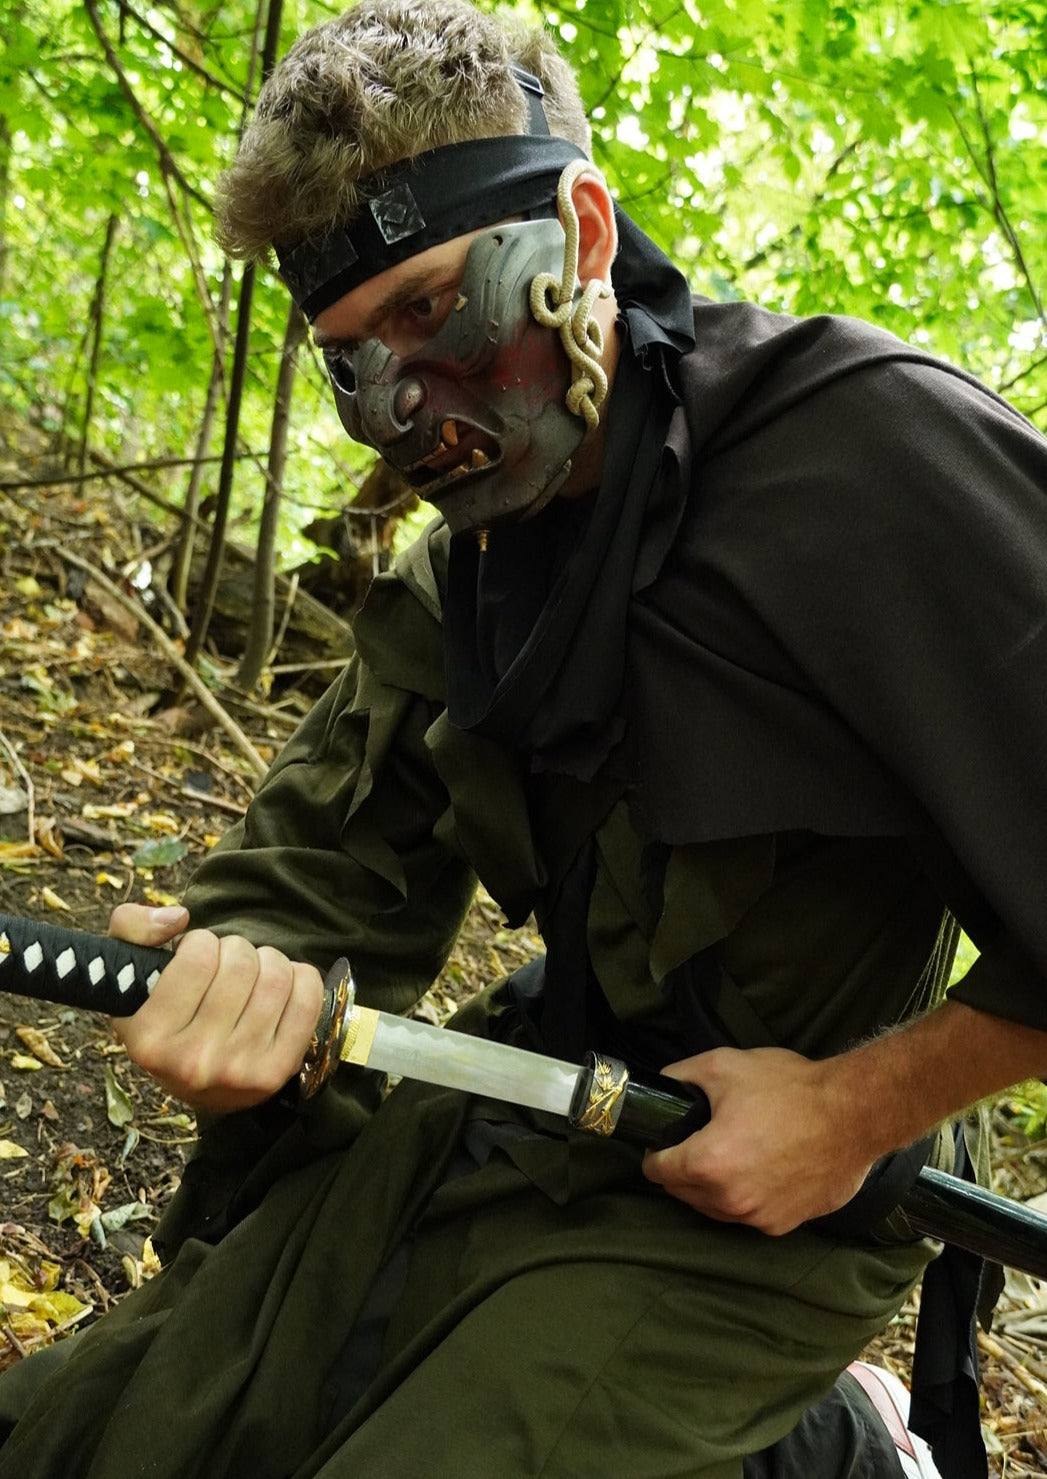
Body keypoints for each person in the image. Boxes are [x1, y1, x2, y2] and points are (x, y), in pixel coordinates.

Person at [1, 1, 1045, 1474]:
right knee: (92, 1430)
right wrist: (227, 985)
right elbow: (315, 886)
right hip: (527, 1103)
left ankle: (832, 1453)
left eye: (434, 311)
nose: (403, 405)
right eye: (352, 357)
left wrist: (857, 1111)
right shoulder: (464, 580)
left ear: (586, 235)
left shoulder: (868, 461)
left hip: (800, 1193)